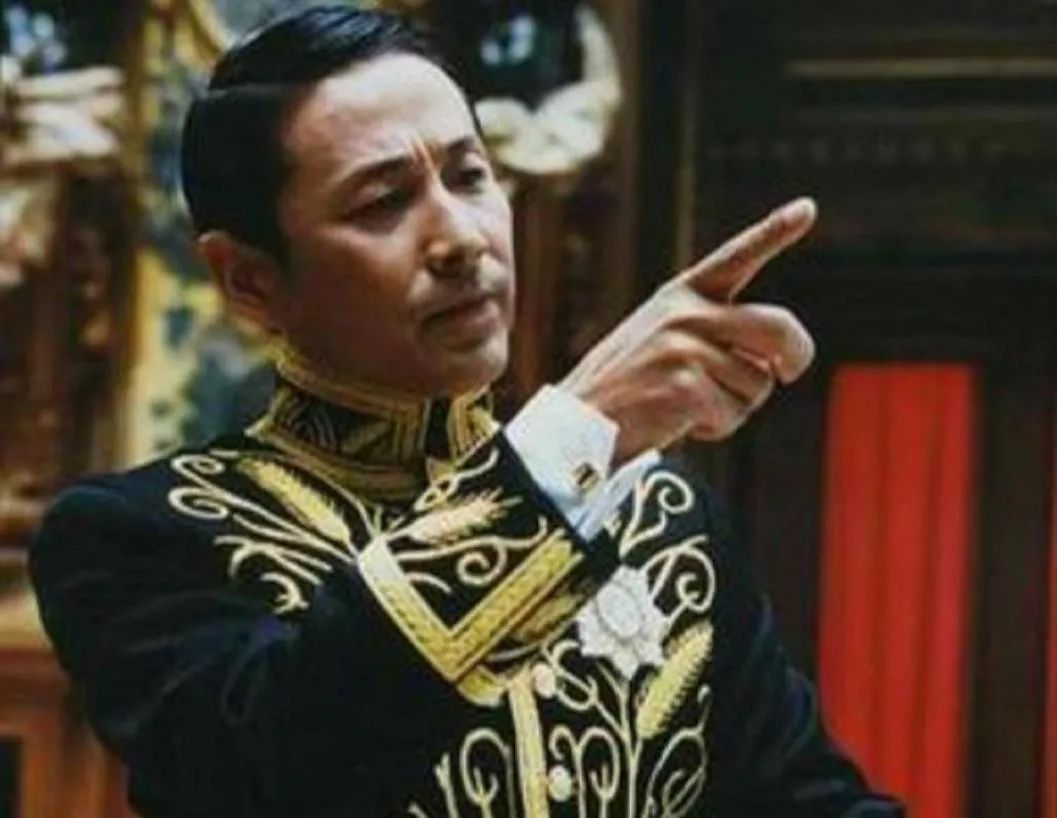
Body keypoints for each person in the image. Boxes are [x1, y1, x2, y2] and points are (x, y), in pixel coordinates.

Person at [30, 6, 903, 817]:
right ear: (251, 279)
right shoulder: (136, 536)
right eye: (383, 201)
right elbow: (278, 767)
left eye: (469, 175)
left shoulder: (656, 519)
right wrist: (574, 433)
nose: (460, 237)